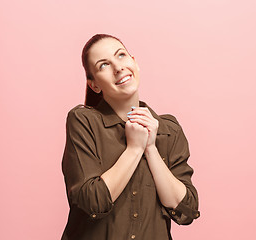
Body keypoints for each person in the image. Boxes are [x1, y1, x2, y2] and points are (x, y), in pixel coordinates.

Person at [61, 34, 200, 240]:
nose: (118, 68)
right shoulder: (83, 121)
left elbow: (187, 209)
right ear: (94, 85)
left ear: (134, 62)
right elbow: (92, 201)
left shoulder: (168, 129)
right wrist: (134, 149)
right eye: (104, 65)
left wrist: (151, 148)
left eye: (121, 55)